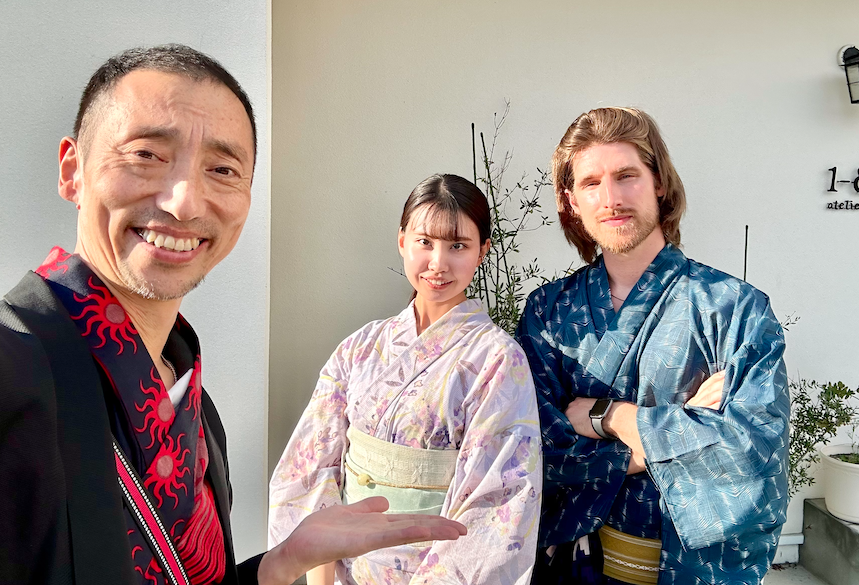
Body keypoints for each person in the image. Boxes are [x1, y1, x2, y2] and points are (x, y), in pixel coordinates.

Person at [0, 44, 466, 585]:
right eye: (146, 154)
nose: (184, 202)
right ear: (73, 171)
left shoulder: (198, 414)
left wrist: (282, 562)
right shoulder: (13, 372)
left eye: (221, 169)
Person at [516, 107, 789, 585]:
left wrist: (612, 418)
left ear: (658, 181)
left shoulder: (732, 309)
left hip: (682, 570)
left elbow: (751, 450)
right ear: (571, 201)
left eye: (627, 176)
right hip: (570, 567)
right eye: (591, 183)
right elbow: (531, 448)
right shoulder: (549, 312)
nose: (612, 199)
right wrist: (676, 433)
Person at [269, 173, 543, 585]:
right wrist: (321, 574)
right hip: (340, 573)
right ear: (402, 241)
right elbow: (312, 464)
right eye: (424, 242)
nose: (438, 263)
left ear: (483, 251)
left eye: (458, 246)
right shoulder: (360, 347)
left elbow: (496, 503)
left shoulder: (498, 360)